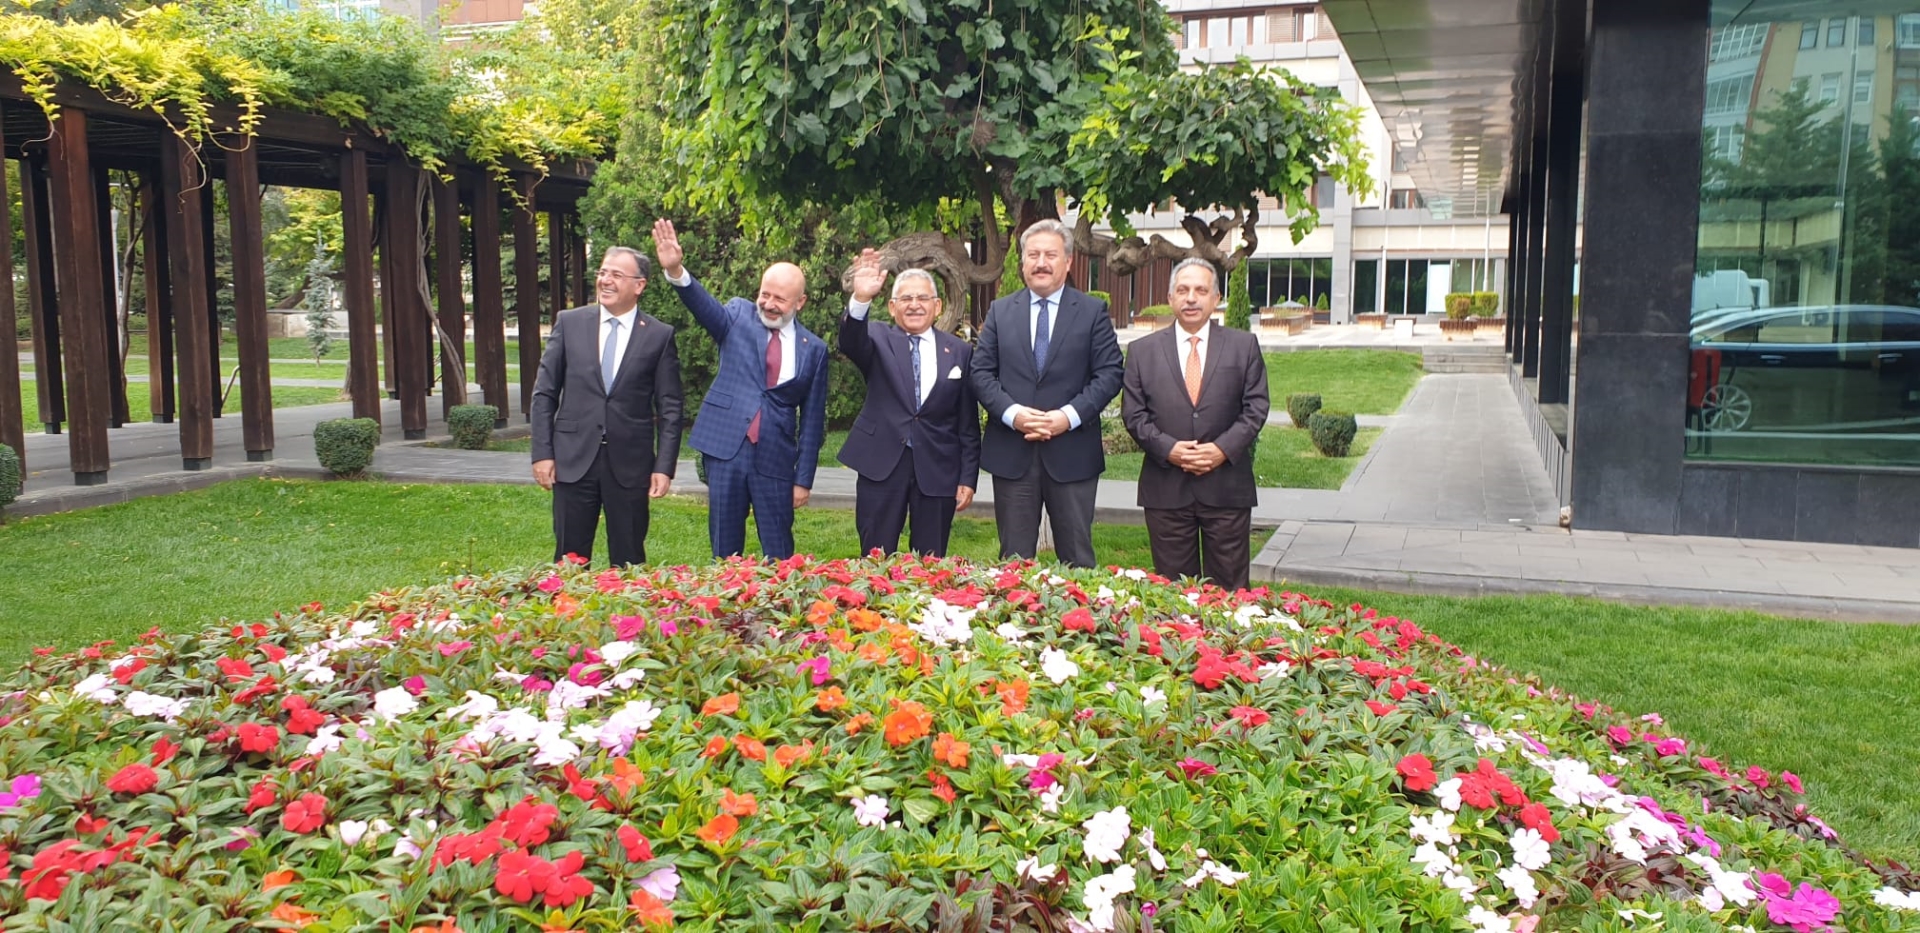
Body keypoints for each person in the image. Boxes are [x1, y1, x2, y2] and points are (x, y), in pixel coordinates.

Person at [652, 218, 829, 559]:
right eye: (765, 294)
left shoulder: (815, 350)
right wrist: (677, 271)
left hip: (776, 458)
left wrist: (803, 479)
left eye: (780, 298)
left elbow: (812, 422)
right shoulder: (737, 315)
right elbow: (704, 307)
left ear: (800, 302)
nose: (769, 304)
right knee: (724, 547)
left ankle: (777, 604)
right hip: (726, 450)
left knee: (779, 551)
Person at [969, 219, 1124, 567]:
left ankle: (1081, 620)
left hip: (1072, 454)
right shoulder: (1000, 311)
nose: (1041, 262)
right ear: (1022, 262)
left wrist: (1065, 418)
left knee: (1078, 560)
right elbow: (980, 373)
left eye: (1050, 255)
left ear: (1068, 262)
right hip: (1012, 454)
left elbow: (1110, 373)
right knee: (1013, 562)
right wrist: (1014, 415)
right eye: (1033, 254)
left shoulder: (1091, 312)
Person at [1120, 258, 1270, 591]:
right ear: (1170, 297)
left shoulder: (1242, 346)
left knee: (1230, 593)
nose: (1191, 298)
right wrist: (1169, 449)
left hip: (1227, 489)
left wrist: (1221, 450)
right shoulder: (1142, 352)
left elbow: (1256, 407)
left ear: (1216, 298)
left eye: (1201, 290)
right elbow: (1133, 413)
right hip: (1166, 489)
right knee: (1175, 594)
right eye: (1183, 290)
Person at [529, 246, 684, 566]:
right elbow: (544, 393)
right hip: (572, 460)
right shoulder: (569, 323)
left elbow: (670, 408)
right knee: (569, 560)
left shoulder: (659, 335)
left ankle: (626, 617)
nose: (605, 281)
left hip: (630, 465)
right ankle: (568, 613)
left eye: (616, 275)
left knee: (628, 561)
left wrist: (663, 466)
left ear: (639, 285)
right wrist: (542, 453)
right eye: (602, 273)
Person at [837, 251, 980, 556]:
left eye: (923, 298)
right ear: (892, 307)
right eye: (906, 299)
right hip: (882, 465)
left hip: (938, 468)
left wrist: (968, 477)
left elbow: (967, 422)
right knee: (875, 557)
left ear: (937, 305)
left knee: (930, 561)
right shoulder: (876, 337)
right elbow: (850, 340)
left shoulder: (958, 352)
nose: (915, 305)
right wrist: (861, 298)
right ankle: (875, 605)